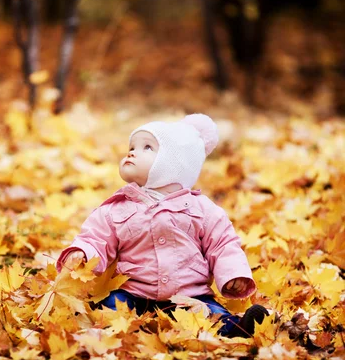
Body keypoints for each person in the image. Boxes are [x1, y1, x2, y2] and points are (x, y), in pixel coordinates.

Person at [56, 113, 268, 338]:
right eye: (132, 146)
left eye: (147, 147)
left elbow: (223, 244)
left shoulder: (201, 210)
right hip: (134, 293)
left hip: (189, 297)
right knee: (106, 308)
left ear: (175, 163)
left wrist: (233, 275)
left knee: (211, 315)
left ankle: (237, 328)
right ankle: (102, 328)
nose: (132, 152)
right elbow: (94, 238)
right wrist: (82, 254)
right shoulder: (115, 208)